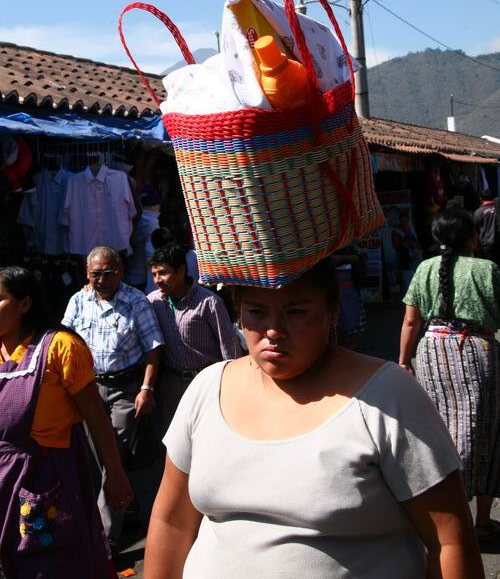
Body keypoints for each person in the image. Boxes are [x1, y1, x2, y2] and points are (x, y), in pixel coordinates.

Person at [144, 257, 483, 579]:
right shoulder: (207, 388)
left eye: (296, 312)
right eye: (257, 312)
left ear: (333, 312)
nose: (273, 330)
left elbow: (449, 539)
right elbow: (172, 521)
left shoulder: (388, 396)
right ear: (238, 312)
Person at [0, 266, 133, 577]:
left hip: (45, 485)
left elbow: (96, 417)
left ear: (25, 304)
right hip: (3, 480)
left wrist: (114, 474)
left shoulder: (60, 347)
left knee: (50, 565)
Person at [400, 207, 500, 542]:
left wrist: (404, 360)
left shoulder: (424, 268)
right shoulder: (487, 269)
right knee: (485, 432)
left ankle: (448, 520)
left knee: (440, 432)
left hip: (431, 353)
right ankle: (481, 522)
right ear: (472, 236)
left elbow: (411, 321)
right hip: (477, 351)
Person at [62, 245, 164, 548]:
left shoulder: (135, 301)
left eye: (108, 273)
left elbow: (153, 348)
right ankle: (127, 510)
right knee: (99, 457)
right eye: (96, 274)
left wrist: (146, 389)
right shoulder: (78, 300)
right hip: (89, 389)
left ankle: (103, 537)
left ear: (120, 271)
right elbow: (64, 339)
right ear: (87, 273)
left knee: (113, 457)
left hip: (125, 390)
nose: (102, 280)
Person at [147, 242, 241, 435]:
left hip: (206, 382)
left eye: (163, 273)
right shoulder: (153, 301)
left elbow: (229, 348)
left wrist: (233, 385)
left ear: (181, 270)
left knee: (208, 433)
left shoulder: (209, 302)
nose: (157, 280)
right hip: (172, 384)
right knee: (175, 437)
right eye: (154, 274)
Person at [474, 188, 500, 264]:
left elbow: (475, 231)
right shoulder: (498, 209)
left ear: (481, 199)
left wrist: (477, 247)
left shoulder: (478, 212)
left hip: (486, 247)